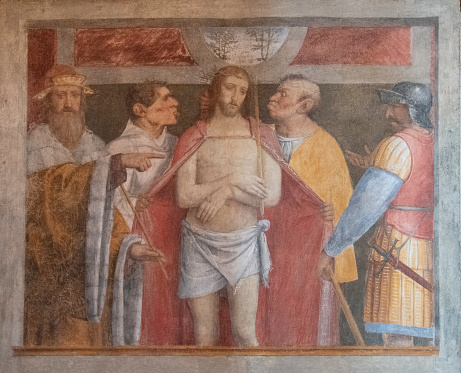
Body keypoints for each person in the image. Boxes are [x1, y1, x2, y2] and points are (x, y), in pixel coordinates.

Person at [137, 66, 331, 347]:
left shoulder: (261, 135)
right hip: (199, 242)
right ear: (216, 90)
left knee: (244, 331)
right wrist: (229, 181)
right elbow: (185, 196)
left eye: (242, 91)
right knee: (204, 335)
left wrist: (227, 191)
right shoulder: (195, 136)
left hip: (243, 244)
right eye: (229, 88)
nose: (235, 96)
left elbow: (272, 196)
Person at [25, 64, 164, 347]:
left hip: (89, 269)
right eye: (61, 95)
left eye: (74, 96)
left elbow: (105, 209)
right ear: (48, 101)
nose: (68, 104)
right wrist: (115, 164)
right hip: (47, 265)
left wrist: (127, 246)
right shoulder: (34, 143)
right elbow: (51, 195)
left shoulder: (95, 145)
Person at [318, 82, 434, 347]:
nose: (388, 114)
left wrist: (331, 249)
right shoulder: (435, 140)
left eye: (396, 106)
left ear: (414, 109)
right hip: (428, 251)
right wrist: (375, 165)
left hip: (399, 250)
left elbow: (364, 208)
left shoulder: (396, 146)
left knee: (397, 340)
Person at [265, 74, 358, 345]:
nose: (273, 97)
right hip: (267, 241)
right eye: (276, 92)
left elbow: (342, 205)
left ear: (303, 106)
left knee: (304, 317)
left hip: (308, 249)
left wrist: (333, 252)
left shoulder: (326, 145)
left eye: (283, 94)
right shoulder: (262, 135)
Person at [108, 81, 179, 229]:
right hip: (139, 230)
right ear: (140, 110)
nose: (175, 103)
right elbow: (110, 200)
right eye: (165, 99)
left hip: (172, 227)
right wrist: (135, 203)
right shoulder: (119, 147)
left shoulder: (176, 143)